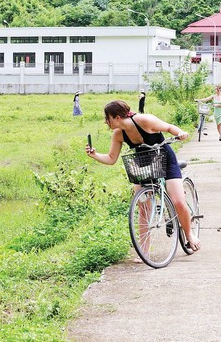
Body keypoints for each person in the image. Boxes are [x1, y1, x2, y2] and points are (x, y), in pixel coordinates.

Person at [85, 100, 200, 252]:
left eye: (108, 118)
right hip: (144, 165)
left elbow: (168, 127)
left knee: (178, 201)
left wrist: (180, 133)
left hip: (165, 159)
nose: (106, 122)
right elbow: (111, 158)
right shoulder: (118, 134)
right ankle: (144, 250)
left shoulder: (145, 120)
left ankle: (189, 234)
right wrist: (95, 155)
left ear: (117, 117)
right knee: (143, 206)